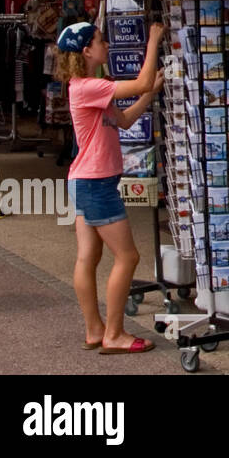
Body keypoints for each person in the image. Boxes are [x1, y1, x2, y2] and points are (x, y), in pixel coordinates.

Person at [56, 19, 164, 355]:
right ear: (87, 50)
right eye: (101, 41)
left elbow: (126, 120)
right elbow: (142, 79)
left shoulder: (90, 87)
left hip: (85, 180)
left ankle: (94, 330)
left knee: (88, 257)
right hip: (95, 183)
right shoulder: (88, 86)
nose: (107, 46)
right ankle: (114, 334)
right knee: (128, 256)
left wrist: (149, 92)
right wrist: (154, 40)